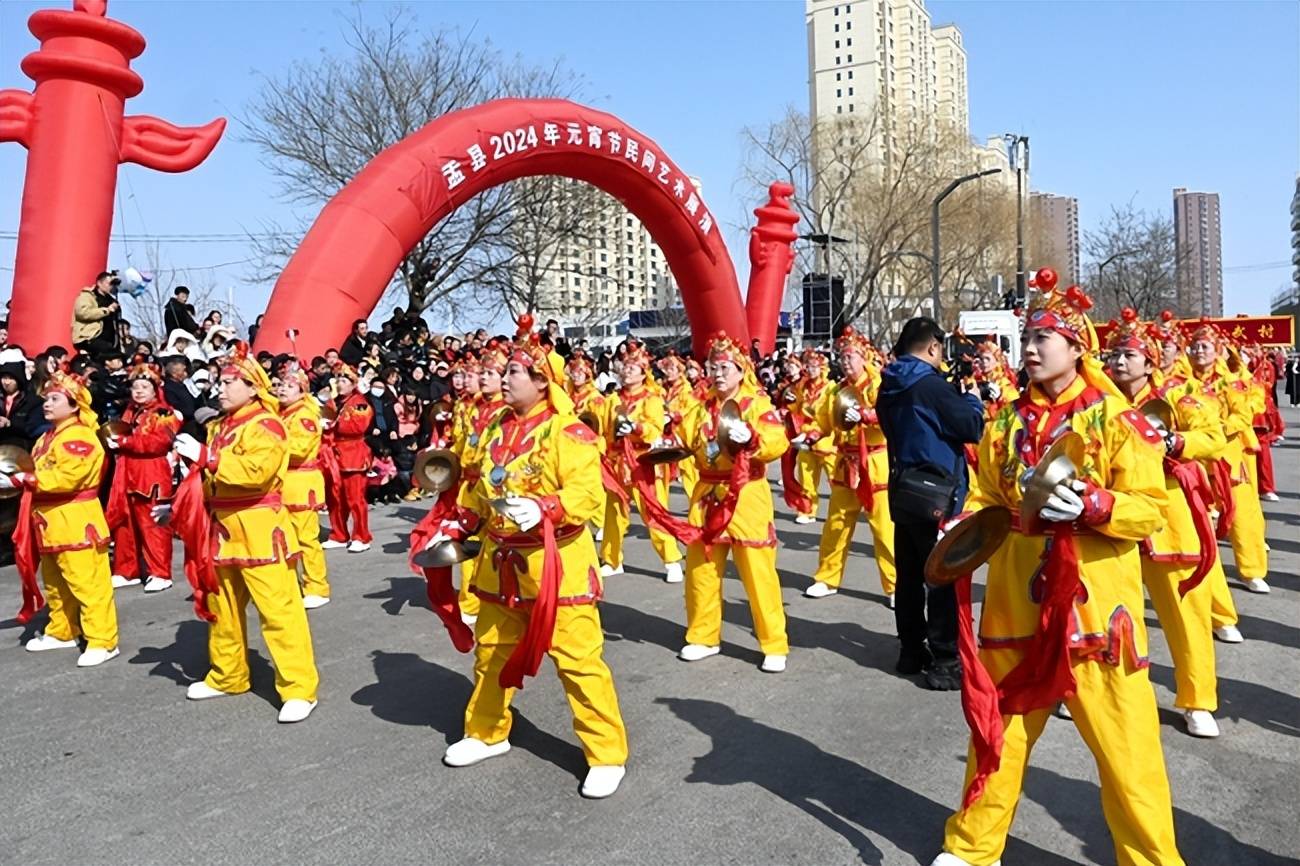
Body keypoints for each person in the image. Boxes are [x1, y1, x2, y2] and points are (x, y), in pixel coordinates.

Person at [931, 272, 1181, 866]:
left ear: (1077, 347)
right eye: (1030, 337)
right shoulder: (1006, 421)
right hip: (1018, 601)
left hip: (1097, 610)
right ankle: (973, 846)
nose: (1034, 348)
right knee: (1000, 732)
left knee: (1127, 752)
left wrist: (1098, 505)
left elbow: (1151, 510)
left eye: (1046, 336)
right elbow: (989, 496)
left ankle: (1151, 859)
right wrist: (960, 525)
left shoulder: (1119, 421)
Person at [415, 330, 629, 799]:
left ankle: (607, 753)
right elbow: (479, 489)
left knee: (578, 661)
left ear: (540, 379)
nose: (503, 379)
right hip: (501, 562)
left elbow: (588, 493)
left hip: (557, 565)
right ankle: (486, 731)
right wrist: (460, 522)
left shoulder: (568, 432)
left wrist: (549, 506)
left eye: (512, 371)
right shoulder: (495, 427)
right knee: (490, 652)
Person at [167, 342, 319, 723]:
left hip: (259, 526)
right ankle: (228, 674)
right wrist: (179, 504)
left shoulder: (266, 424)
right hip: (223, 528)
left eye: (230, 382)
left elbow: (257, 472)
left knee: (278, 610)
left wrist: (208, 458)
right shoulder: (220, 426)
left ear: (253, 386)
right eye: (220, 381)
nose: (220, 388)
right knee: (223, 608)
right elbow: (207, 477)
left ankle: (299, 687)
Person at [1105, 309, 1223, 737]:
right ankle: (1109, 695)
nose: (1119, 362)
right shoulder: (1101, 400)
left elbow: (1215, 439)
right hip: (1114, 519)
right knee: (1110, 612)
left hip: (1168, 518)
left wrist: (1176, 442)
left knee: (1184, 615)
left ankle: (1197, 700)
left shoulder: (1180, 396)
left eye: (1129, 355)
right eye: (1115, 354)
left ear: (1150, 361)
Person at [659, 332, 790, 672]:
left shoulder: (756, 403)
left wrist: (755, 438)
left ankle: (774, 643)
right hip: (707, 494)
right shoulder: (700, 406)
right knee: (702, 569)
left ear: (740, 369)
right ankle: (703, 636)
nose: (717, 373)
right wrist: (665, 437)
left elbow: (778, 440)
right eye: (712, 367)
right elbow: (686, 438)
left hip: (746, 493)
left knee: (757, 572)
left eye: (724, 367)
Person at [876, 317, 984, 690]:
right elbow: (970, 428)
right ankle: (945, 659)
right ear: (933, 348)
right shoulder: (930, 386)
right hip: (937, 489)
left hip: (903, 485)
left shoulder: (888, 385)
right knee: (940, 575)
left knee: (909, 574)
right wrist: (972, 398)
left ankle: (910, 649)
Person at [2, 368, 120, 667]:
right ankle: (63, 629)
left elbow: (68, 477)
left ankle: (103, 640)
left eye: (55, 398)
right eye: (46, 398)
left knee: (87, 584)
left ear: (74, 405)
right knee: (56, 583)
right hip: (50, 522)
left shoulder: (79, 436)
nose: (47, 403)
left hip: (76, 520)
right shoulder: (46, 438)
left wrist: (23, 480)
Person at [804, 328, 897, 605]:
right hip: (846, 463)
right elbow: (824, 421)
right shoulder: (837, 390)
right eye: (842, 357)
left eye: (851, 356)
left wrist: (869, 416)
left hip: (875, 462)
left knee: (884, 528)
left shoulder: (882, 385)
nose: (846, 362)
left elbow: (893, 418)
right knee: (836, 524)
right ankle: (827, 577)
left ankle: (895, 585)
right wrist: (811, 435)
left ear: (864, 357)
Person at [1187, 321, 1270, 593]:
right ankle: (1203, 572)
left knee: (1244, 514)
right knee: (1197, 516)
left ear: (1217, 350)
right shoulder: (1183, 382)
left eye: (1205, 346)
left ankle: (1252, 570)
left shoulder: (1231, 382)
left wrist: (1220, 431)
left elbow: (1243, 414)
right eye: (1195, 346)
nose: (1199, 351)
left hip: (1230, 455)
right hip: (1196, 457)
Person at [600, 341, 684, 583]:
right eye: (625, 367)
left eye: (632, 368)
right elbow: (605, 431)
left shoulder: (652, 398)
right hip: (618, 462)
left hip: (643, 461)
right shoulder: (612, 400)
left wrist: (636, 427)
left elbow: (655, 429)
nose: (627, 371)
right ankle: (611, 559)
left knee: (654, 512)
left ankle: (671, 559)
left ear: (643, 372)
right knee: (614, 513)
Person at [105, 363, 179, 593]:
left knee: (153, 526)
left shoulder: (165, 413)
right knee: (125, 526)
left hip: (151, 475)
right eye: (135, 386)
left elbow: (159, 443)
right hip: (128, 474)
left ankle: (160, 571)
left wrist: (125, 443)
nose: (138, 391)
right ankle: (127, 570)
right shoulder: (129, 411)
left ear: (155, 389)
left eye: (144, 386)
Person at [275, 365, 330, 609]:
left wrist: (273, 444)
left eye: (290, 386)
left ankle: (316, 586)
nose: (282, 389)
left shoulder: (305, 415)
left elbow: (299, 449)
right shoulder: (283, 413)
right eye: (281, 385)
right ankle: (290, 585)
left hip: (300, 481)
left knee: (307, 540)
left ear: (302, 390)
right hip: (284, 483)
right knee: (285, 541)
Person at [322, 362, 374, 552]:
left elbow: (358, 426)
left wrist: (333, 423)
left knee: (355, 498)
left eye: (344, 380)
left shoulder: (359, 402)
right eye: (338, 379)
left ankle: (361, 535)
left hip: (354, 454)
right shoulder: (333, 402)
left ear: (353, 383)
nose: (340, 383)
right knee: (335, 498)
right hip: (334, 455)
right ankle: (339, 533)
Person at [787, 348, 834, 524]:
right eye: (809, 366)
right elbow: (797, 408)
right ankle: (807, 511)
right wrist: (791, 401)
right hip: (805, 438)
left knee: (835, 481)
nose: (811, 370)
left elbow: (832, 415)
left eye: (815, 367)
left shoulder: (831, 388)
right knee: (806, 478)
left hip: (826, 441)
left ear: (823, 368)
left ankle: (841, 509)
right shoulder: (802, 387)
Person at [71, 271, 122, 359]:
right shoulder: (88, 296)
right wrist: (106, 311)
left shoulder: (112, 300)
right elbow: (83, 313)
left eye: (113, 284)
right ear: (99, 283)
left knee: (119, 358)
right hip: (90, 338)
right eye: (109, 283)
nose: (111, 286)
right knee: (109, 354)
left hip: (110, 341)